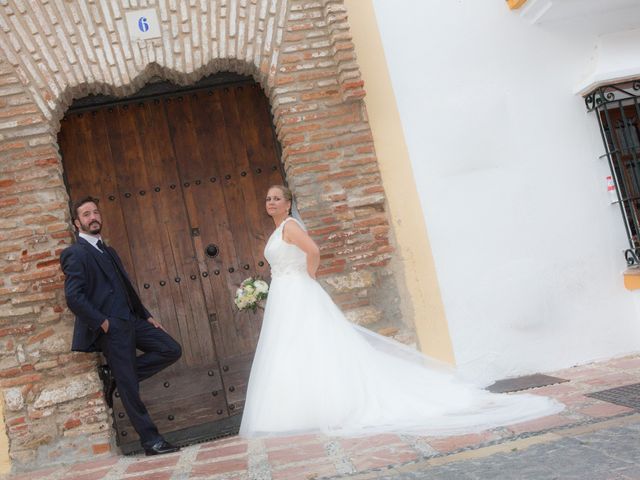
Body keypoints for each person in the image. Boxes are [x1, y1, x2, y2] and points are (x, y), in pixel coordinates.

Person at [239, 185, 564, 438]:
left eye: (276, 198)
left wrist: (307, 277)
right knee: (297, 347)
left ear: (287, 202)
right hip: (286, 293)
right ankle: (299, 406)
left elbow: (313, 250)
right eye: (268, 199)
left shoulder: (291, 226)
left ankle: (329, 404)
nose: (271, 202)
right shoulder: (277, 229)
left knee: (315, 343)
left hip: (299, 290)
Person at [60, 196, 182, 456]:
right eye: (86, 214)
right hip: (112, 328)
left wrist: (145, 315)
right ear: (77, 223)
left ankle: (118, 375)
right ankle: (151, 442)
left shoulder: (108, 249)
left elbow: (125, 287)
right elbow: (74, 297)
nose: (93, 217)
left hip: (133, 320)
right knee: (130, 389)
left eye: (95, 212)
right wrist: (102, 323)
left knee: (170, 349)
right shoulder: (76, 253)